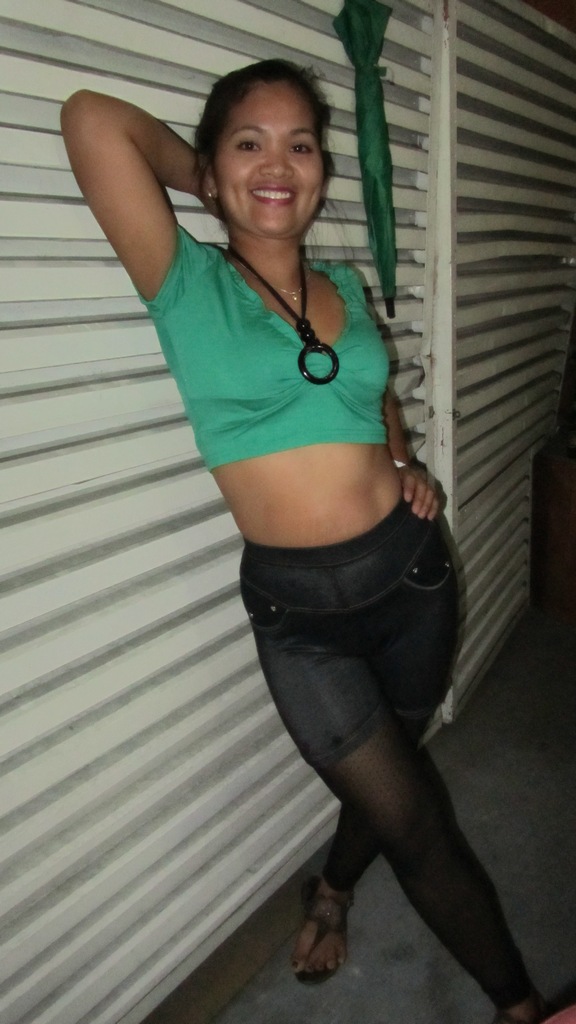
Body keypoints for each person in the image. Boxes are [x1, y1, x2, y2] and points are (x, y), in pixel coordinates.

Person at [60, 59, 545, 1024]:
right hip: (302, 619)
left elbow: (374, 399)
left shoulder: (342, 286)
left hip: (413, 576)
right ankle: (522, 1005)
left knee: (395, 776)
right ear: (212, 166)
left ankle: (331, 889)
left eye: (301, 146)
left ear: (323, 170)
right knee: (417, 821)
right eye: (251, 143)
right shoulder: (186, 283)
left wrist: (405, 461)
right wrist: (208, 176)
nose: (279, 164)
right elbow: (91, 118)